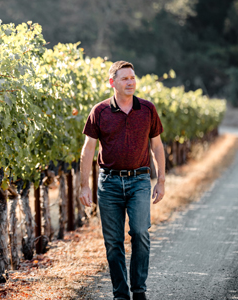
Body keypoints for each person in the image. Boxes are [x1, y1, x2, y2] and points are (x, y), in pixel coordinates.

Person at [79, 61, 166, 300]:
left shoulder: (147, 109)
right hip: (109, 183)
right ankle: (120, 294)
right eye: (125, 78)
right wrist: (84, 185)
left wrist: (161, 181)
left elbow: (157, 147)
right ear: (112, 83)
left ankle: (139, 290)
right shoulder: (99, 111)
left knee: (140, 233)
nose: (130, 82)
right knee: (113, 242)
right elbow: (88, 149)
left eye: (132, 78)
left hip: (139, 180)